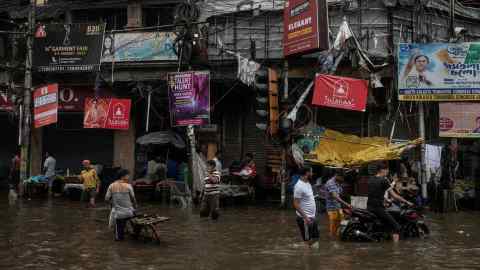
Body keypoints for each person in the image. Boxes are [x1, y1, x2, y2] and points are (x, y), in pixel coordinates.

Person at [367, 163, 414, 243]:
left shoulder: (371, 179)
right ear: (382, 170)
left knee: (387, 225)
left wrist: (386, 200)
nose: (388, 172)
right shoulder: (383, 180)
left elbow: (375, 193)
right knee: (397, 227)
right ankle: (396, 248)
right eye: (387, 170)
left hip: (369, 207)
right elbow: (395, 195)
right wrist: (406, 202)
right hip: (378, 209)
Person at [105, 169, 137, 241]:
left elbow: (106, 199)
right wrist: (135, 207)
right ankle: (133, 232)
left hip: (119, 214)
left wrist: (112, 204)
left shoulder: (111, 185)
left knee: (119, 237)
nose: (129, 176)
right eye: (128, 175)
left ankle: (120, 236)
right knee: (134, 217)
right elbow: (133, 199)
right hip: (129, 213)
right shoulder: (128, 186)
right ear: (123, 176)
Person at [293, 167, 319, 248]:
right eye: (311, 172)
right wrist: (306, 218)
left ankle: (304, 250)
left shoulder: (307, 183)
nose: (312, 173)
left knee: (315, 239)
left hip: (312, 217)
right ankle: (303, 255)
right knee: (307, 242)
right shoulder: (299, 186)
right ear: (307, 173)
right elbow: (296, 204)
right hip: (305, 219)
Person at [325, 170, 351, 238]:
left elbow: (340, 194)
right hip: (332, 208)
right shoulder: (330, 183)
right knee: (333, 228)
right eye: (342, 178)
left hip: (338, 207)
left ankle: (337, 239)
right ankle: (332, 242)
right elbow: (335, 196)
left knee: (341, 225)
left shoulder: (338, 182)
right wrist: (346, 204)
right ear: (337, 175)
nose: (343, 179)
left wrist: (345, 207)